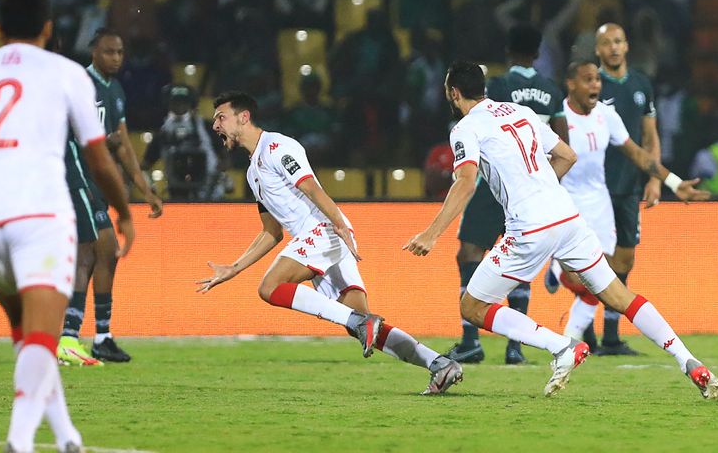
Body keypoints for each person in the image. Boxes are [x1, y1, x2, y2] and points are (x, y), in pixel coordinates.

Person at [404, 61, 718, 399]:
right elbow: (567, 155)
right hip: (568, 217)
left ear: (453, 93)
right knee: (619, 296)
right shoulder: (520, 111)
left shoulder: (465, 129)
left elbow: (466, 182)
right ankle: (688, 359)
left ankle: (561, 346)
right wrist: (539, 188)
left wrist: (431, 233)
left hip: (529, 228)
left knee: (472, 307)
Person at [0, 0, 134, 451]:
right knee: (43, 338)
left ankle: (67, 436)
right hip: (41, 217)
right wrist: (124, 212)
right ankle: (19, 441)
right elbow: (100, 158)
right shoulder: (66, 74)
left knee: (29, 336)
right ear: (47, 28)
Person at [197, 91, 462, 395]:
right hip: (319, 238)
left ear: (243, 117)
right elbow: (271, 231)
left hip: (324, 229)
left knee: (269, 288)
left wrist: (337, 224)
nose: (216, 125)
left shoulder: (277, 147)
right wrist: (234, 268)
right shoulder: (252, 171)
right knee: (359, 325)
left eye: (221, 117)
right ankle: (440, 365)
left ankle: (363, 323)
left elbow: (309, 186)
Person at [555, 60, 711, 341]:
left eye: (597, 80)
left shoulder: (606, 115)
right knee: (582, 278)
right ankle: (558, 273)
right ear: (571, 84)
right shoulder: (558, 116)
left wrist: (673, 183)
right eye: (588, 80)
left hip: (599, 205)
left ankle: (571, 343)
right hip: (566, 204)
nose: (595, 85)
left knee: (601, 280)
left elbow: (639, 154)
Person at [446, 24, 569, 365]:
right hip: (536, 187)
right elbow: (564, 144)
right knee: (521, 263)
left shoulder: (497, 87)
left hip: (495, 186)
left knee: (469, 253)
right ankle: (515, 347)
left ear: (509, 51)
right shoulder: (551, 90)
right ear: (537, 51)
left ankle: (471, 340)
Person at [57, 27, 162, 365]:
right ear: (93, 53)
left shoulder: (115, 90)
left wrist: (145, 189)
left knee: (107, 253)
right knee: (87, 251)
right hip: (76, 179)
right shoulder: (81, 86)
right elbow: (75, 136)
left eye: (119, 53)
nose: (115, 58)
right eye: (108, 52)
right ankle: (68, 338)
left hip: (99, 185)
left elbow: (124, 144)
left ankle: (101, 337)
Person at [573, 22, 664, 355]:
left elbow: (650, 136)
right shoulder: (591, 84)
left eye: (618, 41)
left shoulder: (641, 84)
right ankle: (586, 330)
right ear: (597, 49)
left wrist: (654, 178)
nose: (613, 47)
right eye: (606, 43)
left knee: (624, 259)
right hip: (594, 188)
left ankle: (610, 336)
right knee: (590, 259)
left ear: (626, 46)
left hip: (628, 186)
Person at [142, 84, 220, 200]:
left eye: (184, 102)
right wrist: (150, 187)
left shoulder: (207, 128)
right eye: (175, 102)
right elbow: (145, 165)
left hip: (208, 188)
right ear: (168, 104)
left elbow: (224, 157)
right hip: (177, 189)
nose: (179, 106)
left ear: (191, 104)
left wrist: (219, 175)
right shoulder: (162, 133)